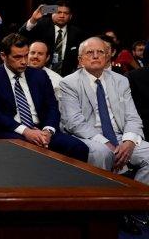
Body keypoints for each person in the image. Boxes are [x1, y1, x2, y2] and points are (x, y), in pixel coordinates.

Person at [0, 34, 88, 162]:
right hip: (13, 131)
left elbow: (52, 107)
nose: (24, 61)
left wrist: (48, 131)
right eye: (17, 57)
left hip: (43, 129)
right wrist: (26, 131)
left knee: (79, 147)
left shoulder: (39, 75)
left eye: (26, 55)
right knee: (29, 150)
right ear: (3, 56)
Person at [59, 37, 149, 182]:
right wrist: (106, 143)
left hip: (119, 135)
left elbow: (132, 116)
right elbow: (74, 122)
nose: (95, 56)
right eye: (89, 52)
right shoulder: (69, 83)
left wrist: (129, 141)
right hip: (88, 135)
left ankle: (135, 198)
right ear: (80, 59)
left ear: (107, 57)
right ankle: (103, 199)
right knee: (102, 152)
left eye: (100, 52)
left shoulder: (121, 80)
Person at [19, 1, 86, 76]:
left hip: (65, 76)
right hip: (39, 72)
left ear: (70, 16)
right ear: (52, 13)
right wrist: (33, 19)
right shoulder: (42, 25)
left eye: (66, 13)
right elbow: (21, 36)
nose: (62, 15)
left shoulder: (77, 32)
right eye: (59, 12)